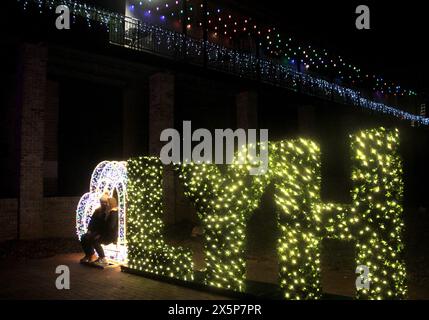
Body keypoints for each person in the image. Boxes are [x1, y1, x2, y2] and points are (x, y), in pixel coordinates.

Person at [80, 194, 119, 266]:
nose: (104, 204)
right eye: (102, 202)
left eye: (105, 202)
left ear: (109, 203)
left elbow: (108, 227)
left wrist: (99, 234)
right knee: (84, 237)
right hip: (98, 232)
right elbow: (93, 221)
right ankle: (89, 254)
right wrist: (90, 230)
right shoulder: (99, 211)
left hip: (105, 234)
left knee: (93, 239)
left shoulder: (111, 212)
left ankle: (101, 257)